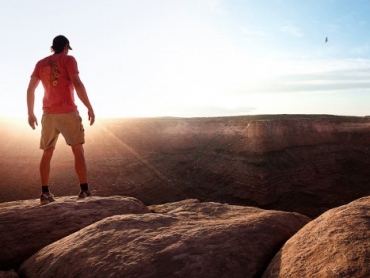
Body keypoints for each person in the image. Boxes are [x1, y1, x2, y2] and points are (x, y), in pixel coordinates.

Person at [27, 35, 95, 205]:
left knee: (47, 152)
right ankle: (84, 190)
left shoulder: (41, 63)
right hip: (68, 112)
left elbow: (31, 89)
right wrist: (89, 107)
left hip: (48, 114)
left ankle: (44, 193)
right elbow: (77, 84)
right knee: (77, 150)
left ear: (52, 47)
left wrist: (30, 113)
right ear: (65, 46)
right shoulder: (69, 59)